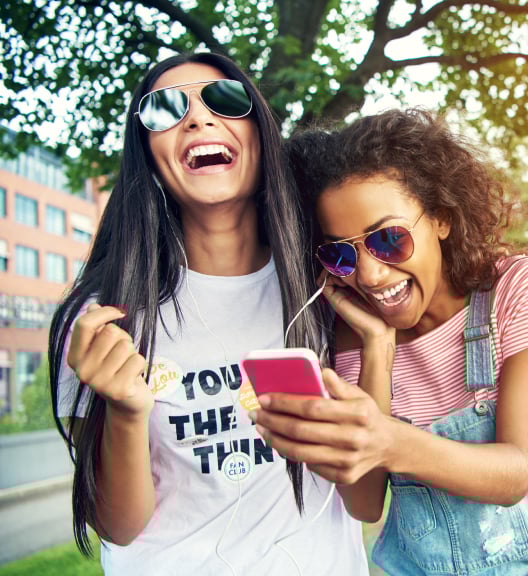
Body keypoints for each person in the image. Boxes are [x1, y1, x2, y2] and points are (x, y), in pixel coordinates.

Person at [48, 52, 368, 575]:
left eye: (224, 100)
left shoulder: (327, 285)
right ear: (148, 157)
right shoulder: (104, 318)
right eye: (165, 109)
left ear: (261, 135)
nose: (198, 118)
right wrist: (126, 412)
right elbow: (118, 527)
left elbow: (365, 488)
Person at [251, 108, 528, 575]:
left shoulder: (518, 288)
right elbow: (364, 503)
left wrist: (387, 440)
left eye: (388, 239)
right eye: (340, 254)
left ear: (440, 218)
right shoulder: (355, 333)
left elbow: (514, 475)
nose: (369, 275)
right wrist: (378, 348)